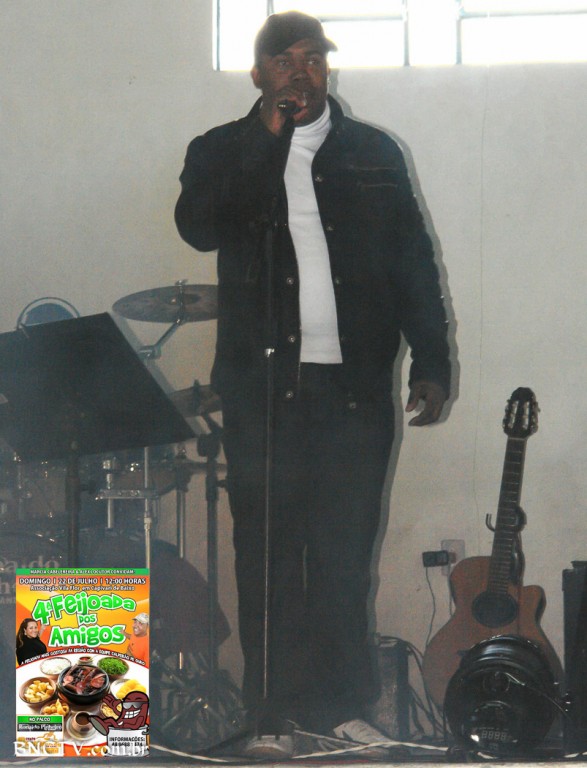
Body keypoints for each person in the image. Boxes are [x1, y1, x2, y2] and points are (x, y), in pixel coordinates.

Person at [175, 11, 450, 759]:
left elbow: (413, 261)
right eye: (284, 61)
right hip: (262, 391)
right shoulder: (221, 149)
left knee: (343, 555)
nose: (301, 71)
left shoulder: (372, 153)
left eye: (313, 59)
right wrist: (266, 140)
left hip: (354, 389)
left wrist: (432, 361)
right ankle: (269, 713)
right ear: (258, 75)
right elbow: (199, 227)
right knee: (267, 554)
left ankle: (338, 710)